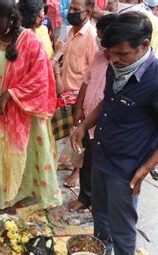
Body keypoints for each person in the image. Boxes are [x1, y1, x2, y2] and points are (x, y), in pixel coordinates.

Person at [70, 12, 158, 255]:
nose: (114, 59)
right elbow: (106, 101)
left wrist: (146, 167)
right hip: (102, 154)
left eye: (121, 53)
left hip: (128, 168)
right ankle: (100, 249)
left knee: (122, 226)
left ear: (143, 46)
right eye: (109, 53)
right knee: (100, 210)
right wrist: (84, 125)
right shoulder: (114, 65)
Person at [0, 0, 62, 211]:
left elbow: (41, 79)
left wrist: (10, 94)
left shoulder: (30, 41)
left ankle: (16, 194)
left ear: (11, 18)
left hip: (22, 108)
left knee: (17, 152)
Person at [69, 13, 118, 211]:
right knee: (87, 159)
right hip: (88, 119)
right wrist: (79, 107)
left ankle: (101, 203)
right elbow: (86, 82)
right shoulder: (99, 56)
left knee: (101, 165)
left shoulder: (120, 63)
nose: (100, 42)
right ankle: (85, 197)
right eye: (98, 36)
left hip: (106, 124)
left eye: (103, 38)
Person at [52, 0, 98, 188]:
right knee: (66, 134)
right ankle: (67, 162)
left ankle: (77, 172)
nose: (70, 12)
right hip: (65, 93)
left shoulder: (91, 37)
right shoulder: (70, 31)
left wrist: (81, 103)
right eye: (70, 8)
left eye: (75, 10)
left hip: (80, 96)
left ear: (87, 13)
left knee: (79, 135)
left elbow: (93, 74)